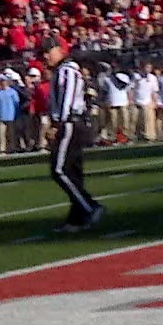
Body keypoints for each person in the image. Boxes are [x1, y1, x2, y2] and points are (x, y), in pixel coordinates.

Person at [46, 40, 101, 230]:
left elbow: (67, 100)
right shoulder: (64, 70)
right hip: (73, 122)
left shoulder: (67, 70)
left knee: (60, 170)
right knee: (73, 171)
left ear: (60, 50)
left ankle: (90, 207)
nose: (45, 55)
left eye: (49, 51)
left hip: (69, 123)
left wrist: (57, 124)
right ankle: (77, 218)